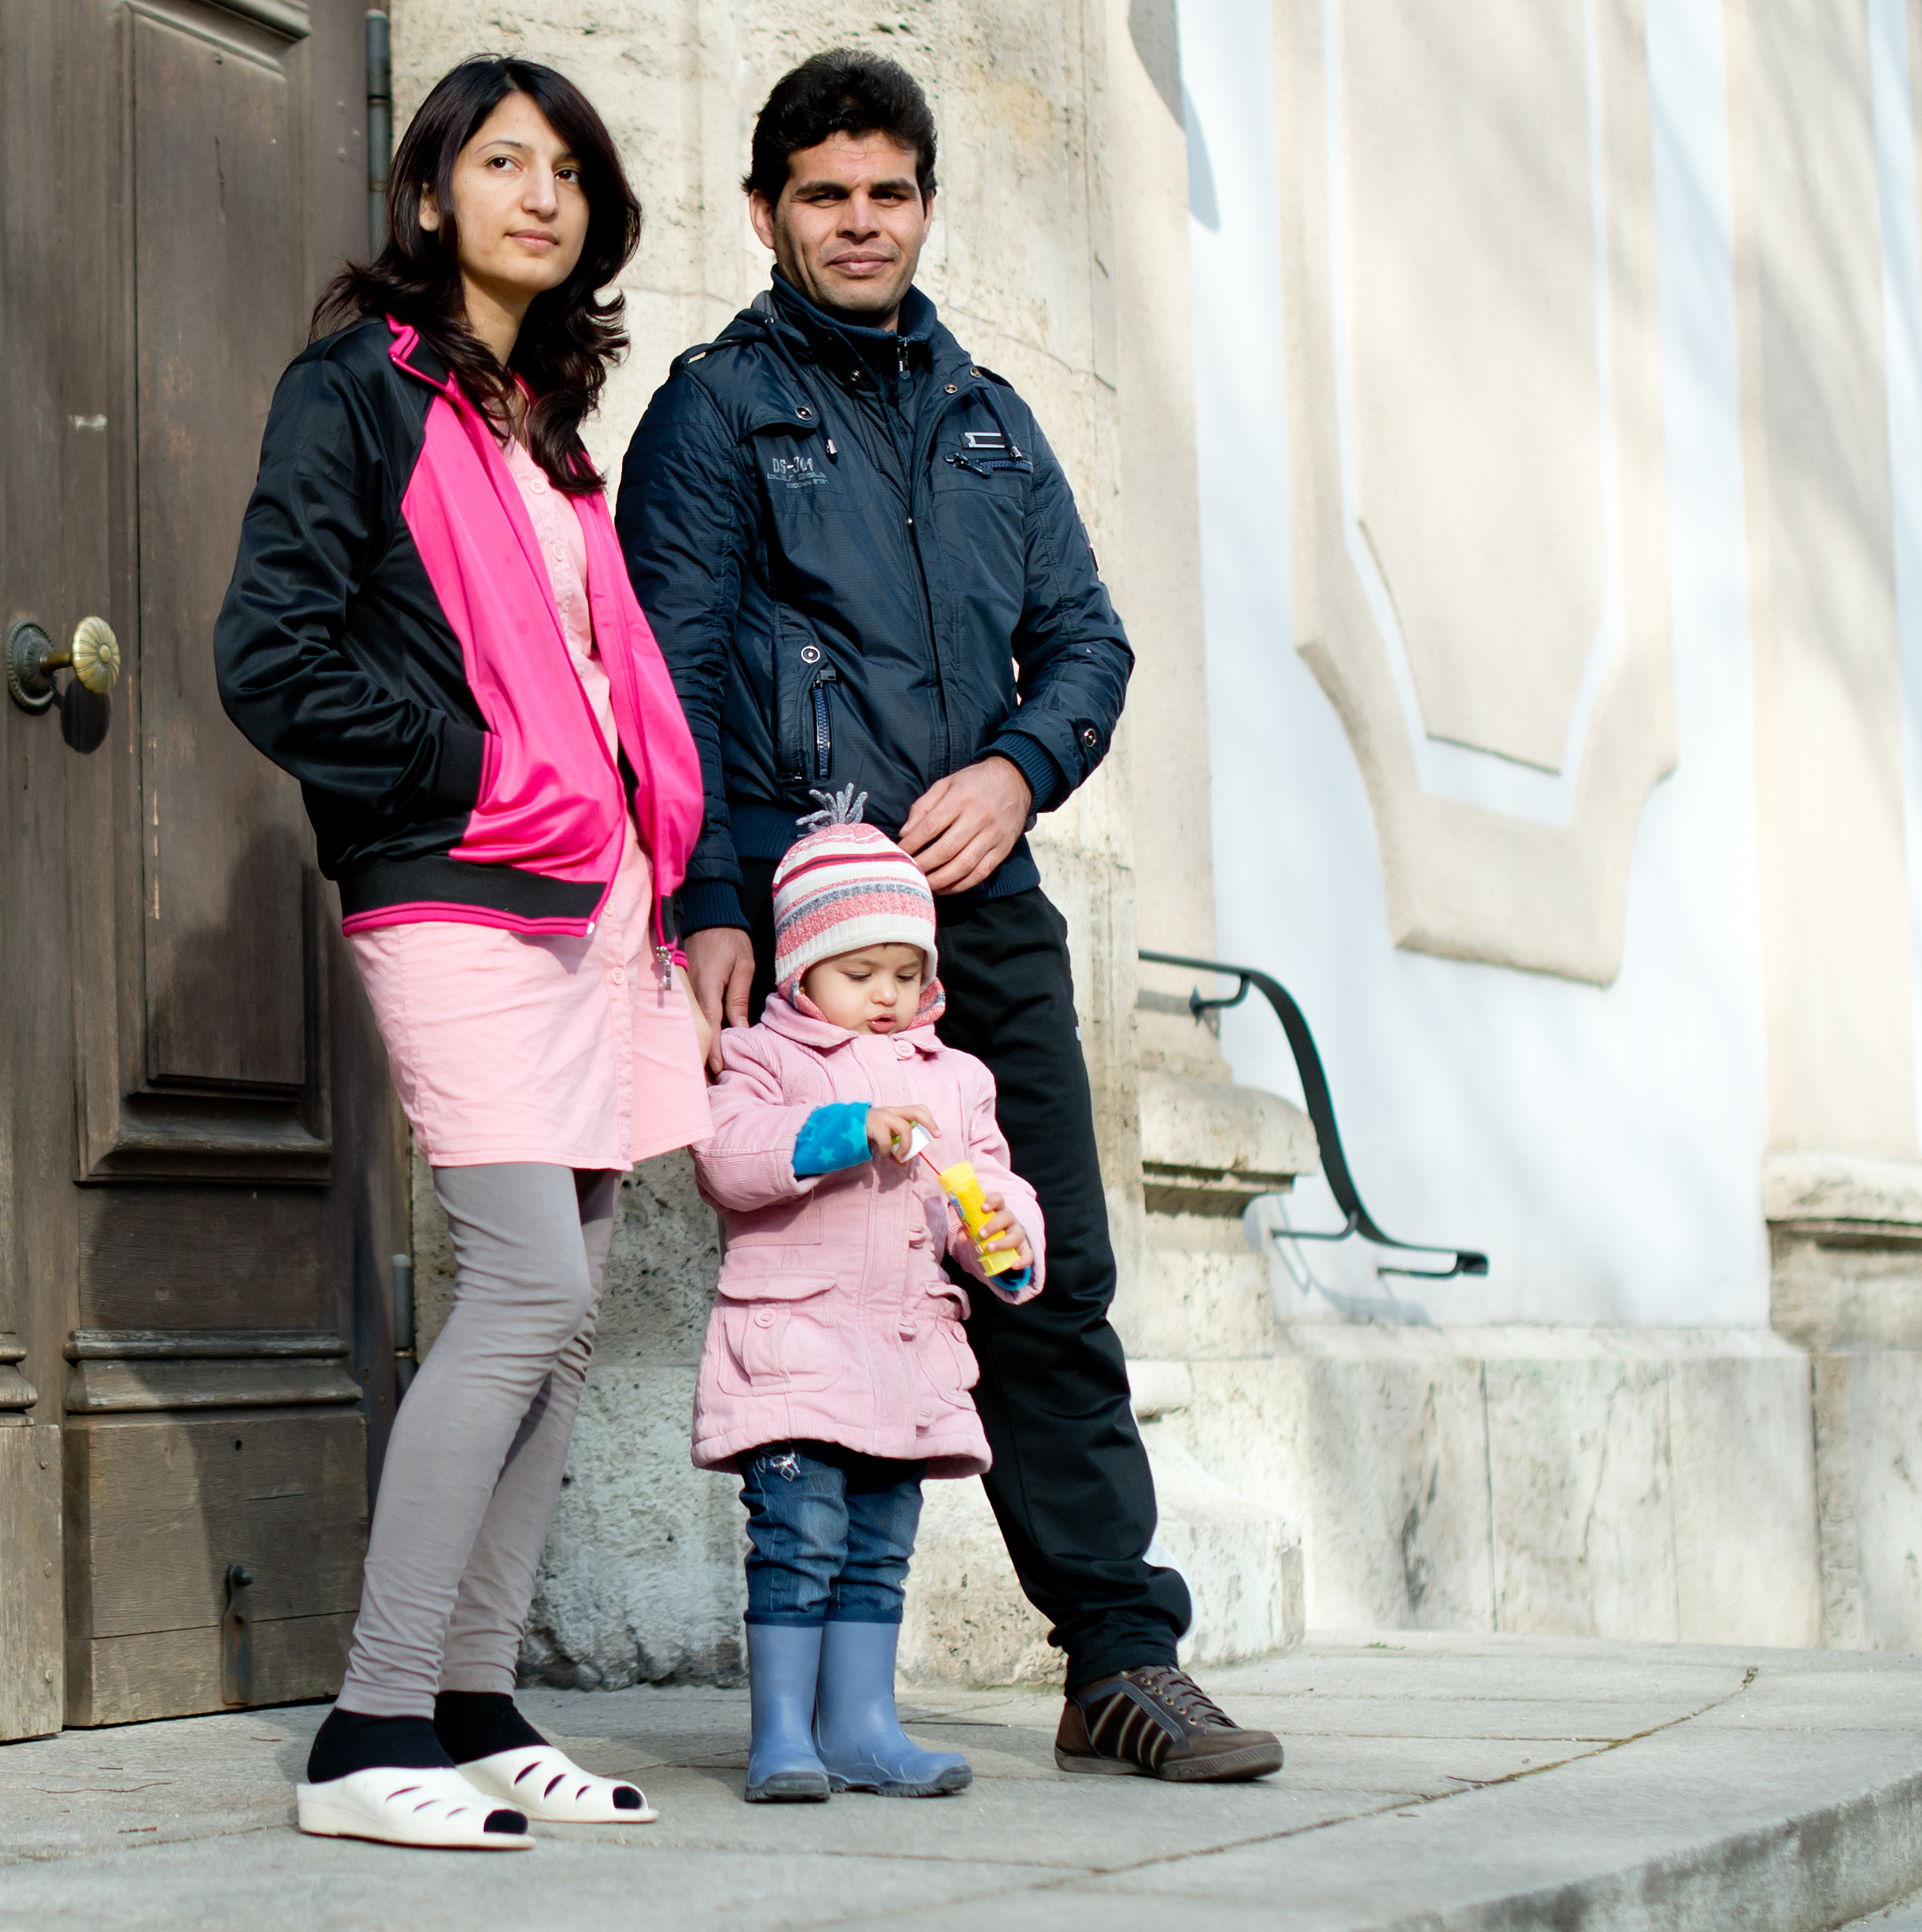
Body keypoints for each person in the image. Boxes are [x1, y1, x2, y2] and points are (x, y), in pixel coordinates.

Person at [619, 48, 1284, 1782]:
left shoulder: (991, 416)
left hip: (970, 912)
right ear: (764, 211)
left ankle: (1116, 1663)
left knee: (1038, 1265)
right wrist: (706, 899)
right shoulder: (711, 410)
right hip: (791, 907)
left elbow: (1087, 640)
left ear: (922, 206)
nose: (858, 223)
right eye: (823, 194)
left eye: (887, 193)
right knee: (818, 1277)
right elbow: (672, 668)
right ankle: (822, 1691)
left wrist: (1016, 769)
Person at [212, 55, 713, 1851]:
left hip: (594, 902)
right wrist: (474, 764)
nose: (541, 192)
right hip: (454, 881)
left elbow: (600, 683)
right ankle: (367, 1728)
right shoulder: (359, 387)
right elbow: (270, 655)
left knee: (565, 1322)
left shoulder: (548, 433)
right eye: (504, 161)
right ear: (431, 195)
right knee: (524, 1289)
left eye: (569, 168)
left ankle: (480, 1700)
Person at [692, 795, 1044, 1804]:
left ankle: (860, 1726)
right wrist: (847, 1130)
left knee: (881, 1548)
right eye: (860, 974)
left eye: (907, 973)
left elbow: (988, 1185)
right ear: (801, 966)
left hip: (904, 1361)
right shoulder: (762, 1057)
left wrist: (1003, 1238)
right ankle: (781, 1738)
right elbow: (727, 1158)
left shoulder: (958, 1081)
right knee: (798, 1540)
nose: (887, 996)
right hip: (796, 1353)